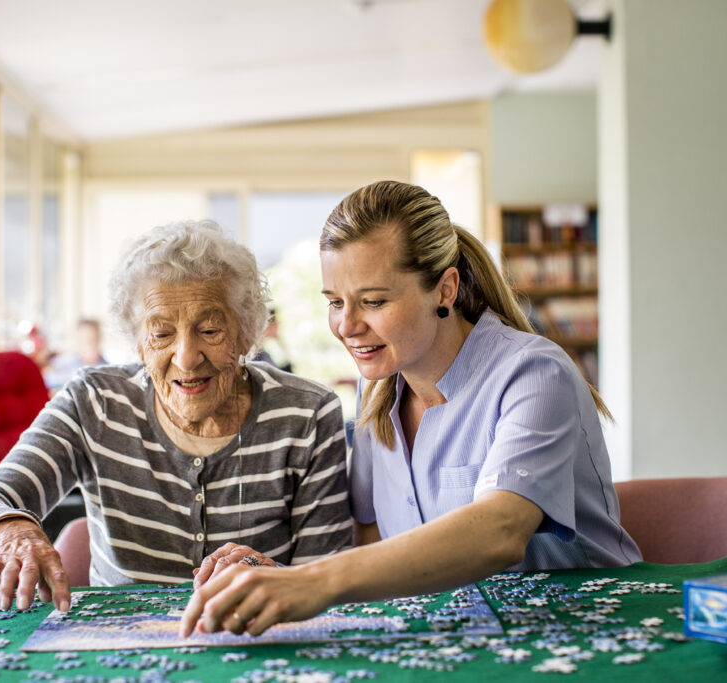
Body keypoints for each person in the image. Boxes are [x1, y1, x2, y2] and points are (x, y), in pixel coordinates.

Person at [180, 180, 641, 638]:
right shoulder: (377, 388)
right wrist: (280, 575)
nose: (347, 325)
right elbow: (372, 538)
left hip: (584, 632)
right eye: (335, 302)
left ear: (445, 289)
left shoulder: (536, 373)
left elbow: (499, 532)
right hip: (456, 637)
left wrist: (312, 582)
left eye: (374, 301)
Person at [0, 219, 351, 612]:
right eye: (161, 334)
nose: (187, 358)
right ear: (138, 343)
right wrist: (13, 532)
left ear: (247, 332)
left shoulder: (306, 413)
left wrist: (274, 575)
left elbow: (330, 579)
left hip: (256, 638)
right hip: (114, 649)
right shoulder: (95, 401)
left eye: (210, 330)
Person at [43, 318, 108, 390]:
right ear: (77, 339)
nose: (90, 343)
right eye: (85, 339)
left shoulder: (108, 369)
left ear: (99, 338)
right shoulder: (61, 364)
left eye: (93, 338)